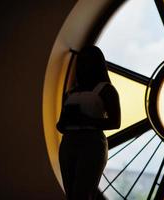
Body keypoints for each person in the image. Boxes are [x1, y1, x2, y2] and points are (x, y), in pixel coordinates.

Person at [56, 45, 121, 200]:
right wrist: (70, 121)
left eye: (88, 61)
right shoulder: (103, 90)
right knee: (73, 193)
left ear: (96, 64)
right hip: (74, 141)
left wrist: (79, 120)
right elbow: (60, 124)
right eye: (82, 61)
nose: (85, 65)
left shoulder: (102, 90)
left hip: (87, 143)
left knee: (80, 193)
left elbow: (116, 122)